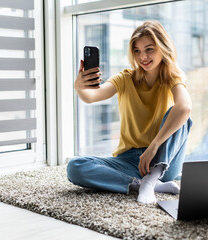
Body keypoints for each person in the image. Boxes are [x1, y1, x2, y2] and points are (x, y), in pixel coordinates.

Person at [67, 21, 193, 204]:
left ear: (162, 48)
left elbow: (185, 107)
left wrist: (153, 147)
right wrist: (79, 87)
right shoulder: (125, 78)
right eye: (137, 51)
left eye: (149, 49)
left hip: (163, 160)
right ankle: (143, 184)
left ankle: (153, 178)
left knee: (182, 115)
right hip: (130, 161)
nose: (143, 56)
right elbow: (92, 96)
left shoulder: (172, 79)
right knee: (75, 167)